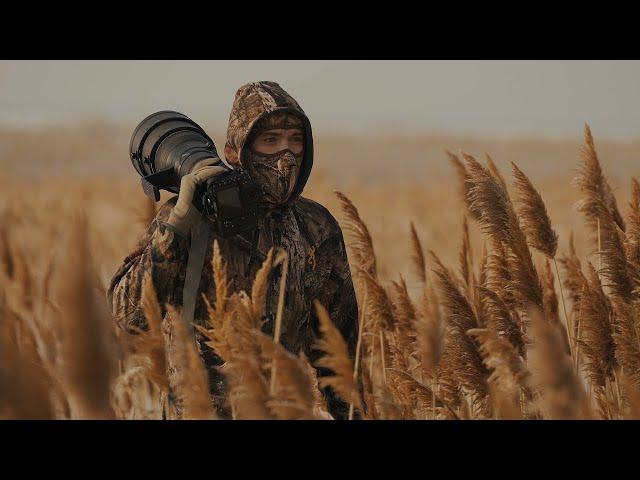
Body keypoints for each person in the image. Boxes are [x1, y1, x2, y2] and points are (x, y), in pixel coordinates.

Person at [108, 81, 359, 419]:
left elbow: (340, 353)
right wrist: (178, 223)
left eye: (295, 140)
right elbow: (128, 319)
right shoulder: (191, 218)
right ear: (237, 151)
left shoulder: (316, 227)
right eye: (271, 140)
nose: (286, 155)